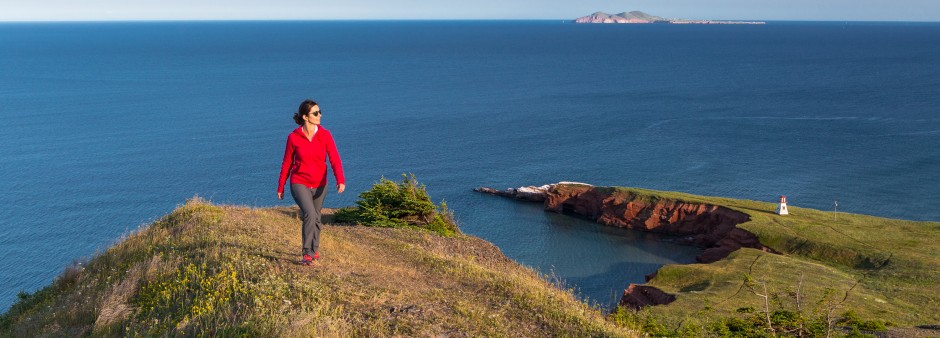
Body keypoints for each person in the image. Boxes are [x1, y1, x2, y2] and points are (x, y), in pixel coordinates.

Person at [278, 99, 346, 266]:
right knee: (309, 214)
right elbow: (286, 162)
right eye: (315, 113)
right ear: (305, 117)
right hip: (299, 182)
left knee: (316, 217)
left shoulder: (325, 135)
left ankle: (315, 250)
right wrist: (281, 186)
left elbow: (335, 159)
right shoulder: (293, 137)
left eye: (319, 111)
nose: (319, 115)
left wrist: (340, 180)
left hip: (320, 184)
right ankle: (307, 253)